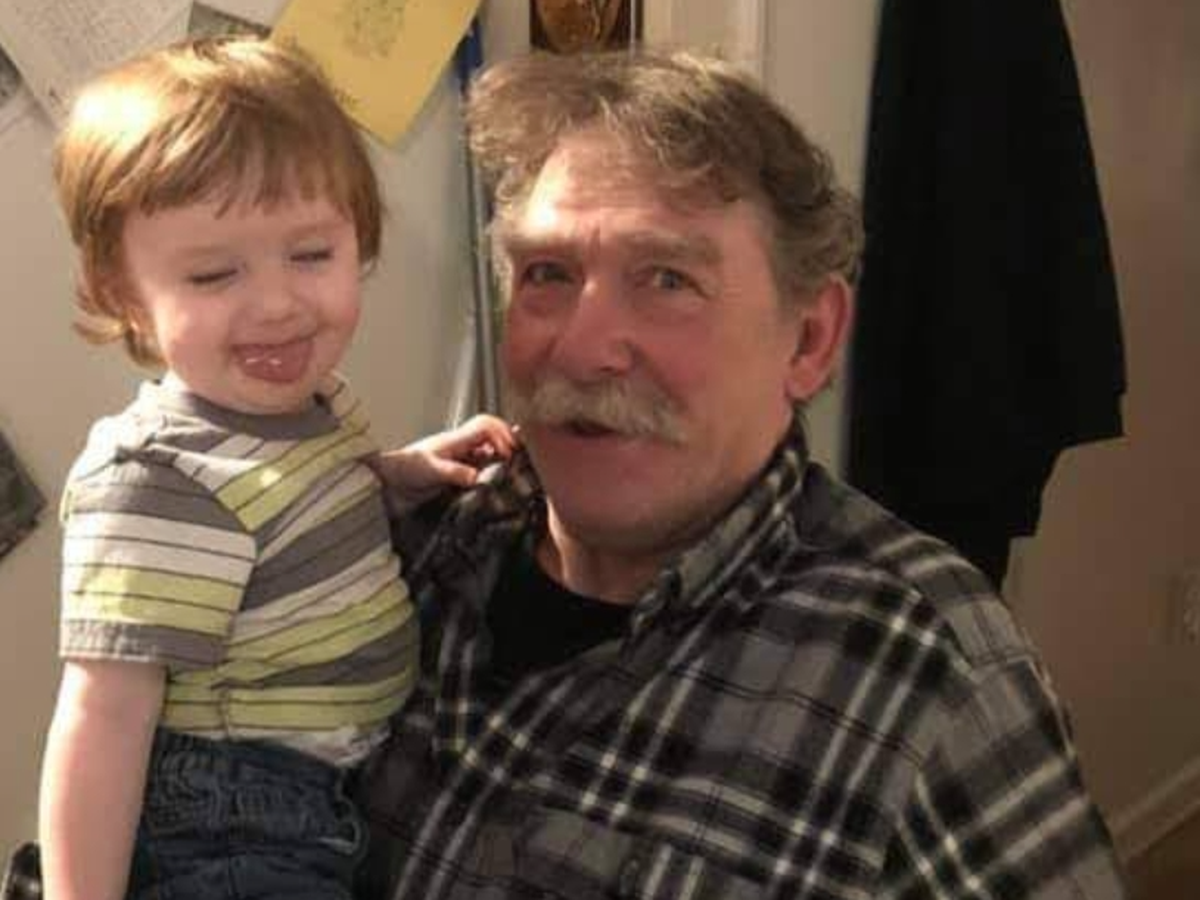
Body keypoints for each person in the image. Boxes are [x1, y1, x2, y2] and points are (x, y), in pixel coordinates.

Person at [354, 49, 1130, 900]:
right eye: (548, 274)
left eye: (667, 280)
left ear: (810, 340)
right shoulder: (399, 550)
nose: (579, 348)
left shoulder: (928, 675)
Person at [38, 36, 512, 900]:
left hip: (340, 786)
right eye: (214, 274)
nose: (278, 304)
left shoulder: (308, 407)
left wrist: (401, 472)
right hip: (231, 813)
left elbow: (298, 510)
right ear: (123, 293)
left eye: (311, 254)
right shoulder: (159, 481)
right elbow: (101, 720)